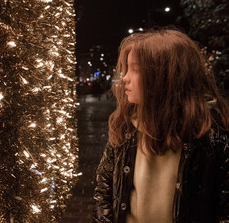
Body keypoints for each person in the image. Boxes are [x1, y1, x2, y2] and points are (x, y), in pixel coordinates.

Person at [93, 29, 229, 223]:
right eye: (126, 69)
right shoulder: (126, 127)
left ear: (166, 76)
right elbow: (103, 192)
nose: (124, 78)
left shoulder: (213, 136)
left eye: (135, 69)